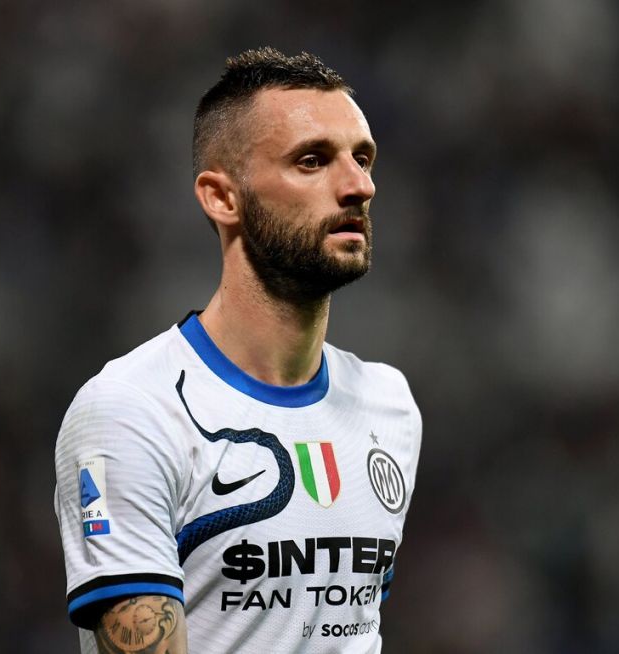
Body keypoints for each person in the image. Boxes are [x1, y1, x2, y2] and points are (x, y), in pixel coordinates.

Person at [54, 47, 422, 653]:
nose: (360, 186)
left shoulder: (390, 407)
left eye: (363, 159)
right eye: (312, 161)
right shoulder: (131, 410)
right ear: (222, 198)